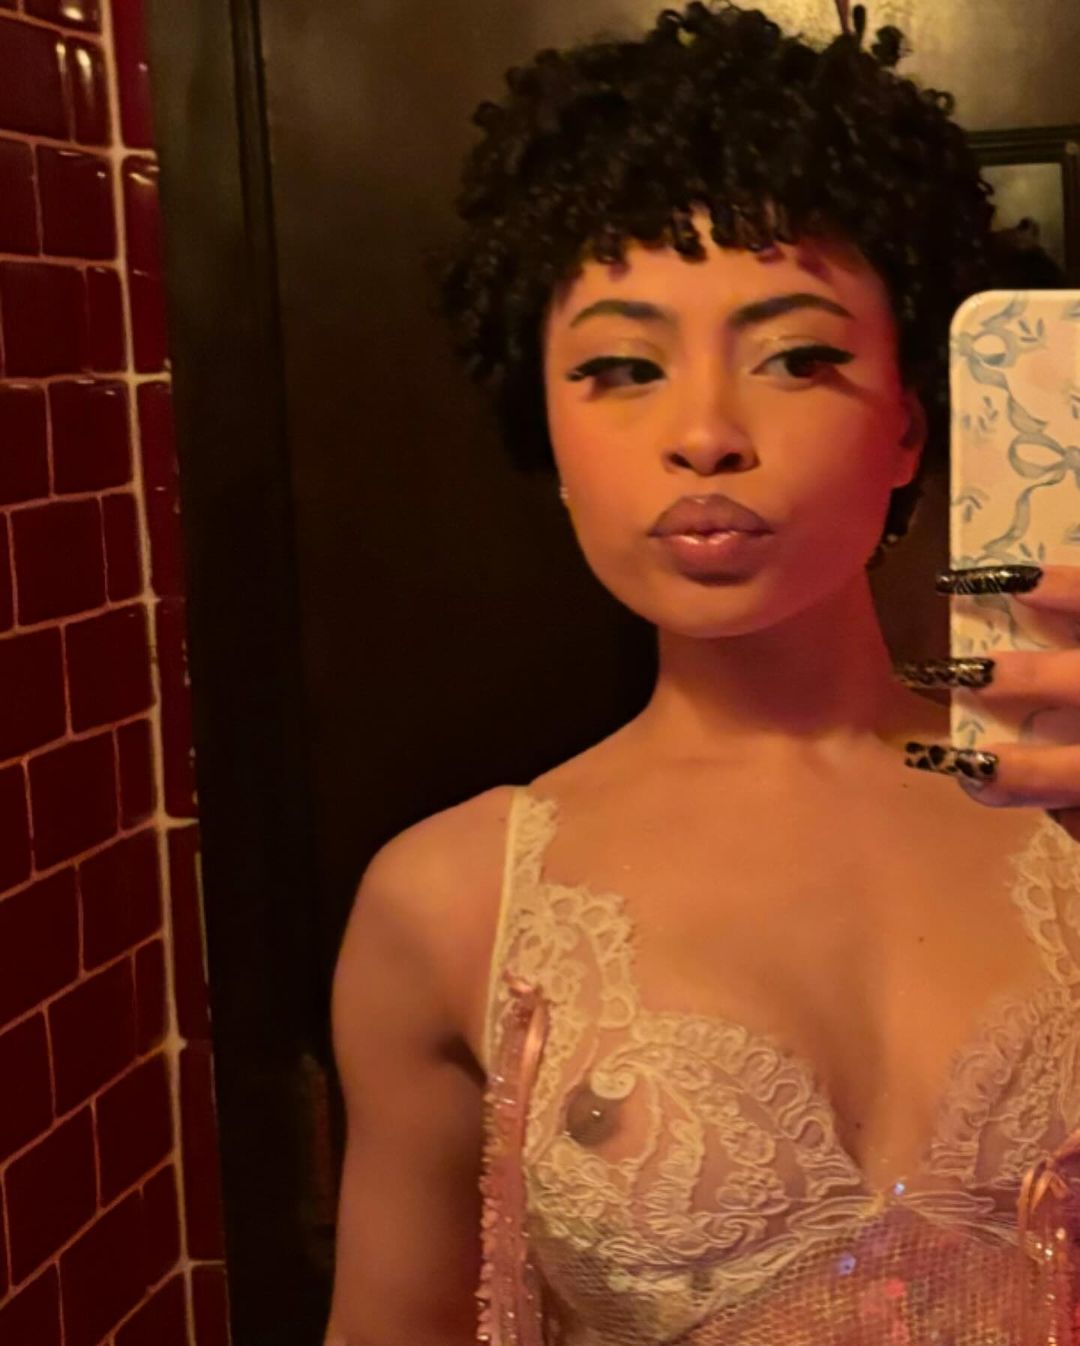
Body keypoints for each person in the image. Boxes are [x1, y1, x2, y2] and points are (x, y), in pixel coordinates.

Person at [324, 3, 1080, 1343]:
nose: (706, 434)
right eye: (623, 367)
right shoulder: (449, 905)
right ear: (548, 430)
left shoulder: (1062, 804)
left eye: (797, 356)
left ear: (911, 427)